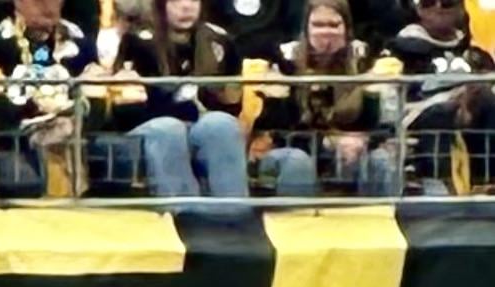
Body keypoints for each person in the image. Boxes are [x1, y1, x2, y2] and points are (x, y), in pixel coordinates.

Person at [93, 0, 250, 196]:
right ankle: (183, 209)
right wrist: (185, 109)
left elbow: (231, 105)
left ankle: (232, 209)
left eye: (193, 0)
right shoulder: (137, 41)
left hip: (199, 123)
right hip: (151, 128)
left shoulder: (220, 41)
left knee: (221, 124)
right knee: (169, 128)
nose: (186, 6)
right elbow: (128, 112)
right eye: (176, 0)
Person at [252, 0, 398, 191]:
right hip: (289, 152)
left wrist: (364, 140)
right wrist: (328, 142)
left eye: (334, 25)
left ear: (347, 29)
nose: (326, 32)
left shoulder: (367, 60)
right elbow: (278, 130)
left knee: (380, 159)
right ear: (306, 28)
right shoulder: (283, 60)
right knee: (297, 160)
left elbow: (384, 124)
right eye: (318, 25)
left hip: (350, 154)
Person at [0, 0, 93, 197]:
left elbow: (97, 88)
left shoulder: (79, 42)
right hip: (11, 137)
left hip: (74, 129)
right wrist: (32, 109)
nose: (48, 6)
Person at [390, 0, 495, 194]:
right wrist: (453, 99)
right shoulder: (400, 50)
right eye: (429, 2)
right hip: (418, 115)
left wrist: (469, 98)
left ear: (461, 9)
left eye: (447, 3)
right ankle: (443, 185)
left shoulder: (474, 53)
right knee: (444, 111)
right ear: (418, 9)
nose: (438, 8)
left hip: (471, 113)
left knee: (487, 99)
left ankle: (487, 182)